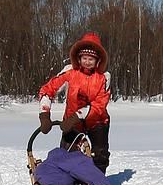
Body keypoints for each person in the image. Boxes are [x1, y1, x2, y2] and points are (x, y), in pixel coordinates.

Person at [37, 33, 112, 172]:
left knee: (99, 155)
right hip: (71, 122)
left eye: (91, 59)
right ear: (79, 58)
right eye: (84, 58)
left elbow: (99, 105)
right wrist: (44, 115)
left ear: (98, 61)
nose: (87, 61)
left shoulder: (103, 78)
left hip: (97, 121)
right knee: (67, 154)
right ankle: (68, 183)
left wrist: (78, 115)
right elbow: (47, 90)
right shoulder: (70, 73)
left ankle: (97, 183)